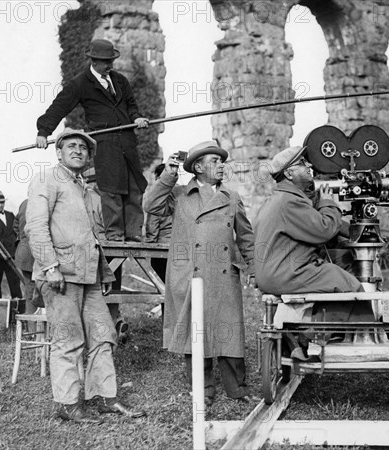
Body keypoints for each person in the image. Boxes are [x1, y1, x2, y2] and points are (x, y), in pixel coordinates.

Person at [26, 128, 145, 423]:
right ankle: (67, 405)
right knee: (68, 340)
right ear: (59, 151)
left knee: (105, 335)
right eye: (71, 146)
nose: (78, 150)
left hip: (88, 277)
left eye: (83, 147)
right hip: (59, 275)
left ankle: (106, 398)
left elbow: (96, 238)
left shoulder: (88, 192)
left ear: (89, 157)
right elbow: (36, 227)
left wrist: (103, 275)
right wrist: (51, 267)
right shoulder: (47, 180)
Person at [143, 140, 258, 406]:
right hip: (191, 275)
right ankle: (202, 388)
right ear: (197, 167)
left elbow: (246, 237)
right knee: (197, 331)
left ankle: (237, 388)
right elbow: (151, 205)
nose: (221, 166)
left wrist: (253, 266)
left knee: (229, 330)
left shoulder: (232, 198)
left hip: (223, 275)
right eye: (215, 161)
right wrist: (168, 175)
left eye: (221, 161)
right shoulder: (180, 194)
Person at [35, 39, 149, 242]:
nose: (110, 65)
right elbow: (60, 106)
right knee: (111, 187)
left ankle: (133, 232)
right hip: (105, 141)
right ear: (94, 61)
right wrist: (43, 131)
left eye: (111, 60)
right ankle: (114, 233)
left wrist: (136, 118)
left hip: (127, 140)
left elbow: (131, 105)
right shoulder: (81, 83)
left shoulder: (120, 80)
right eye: (106, 61)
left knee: (134, 185)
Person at [254, 146, 362, 295]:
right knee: (351, 285)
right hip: (286, 274)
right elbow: (325, 229)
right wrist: (328, 201)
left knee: (347, 260)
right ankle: (364, 316)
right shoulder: (289, 202)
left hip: (280, 270)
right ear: (289, 173)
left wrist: (355, 233)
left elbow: (315, 223)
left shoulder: (282, 198)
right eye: (303, 163)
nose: (310, 166)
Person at [13, 199, 43, 313]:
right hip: (39, 252)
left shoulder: (24, 202)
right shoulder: (44, 201)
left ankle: (32, 328)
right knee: (45, 290)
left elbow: (15, 224)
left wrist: (22, 239)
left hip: (24, 252)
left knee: (30, 291)